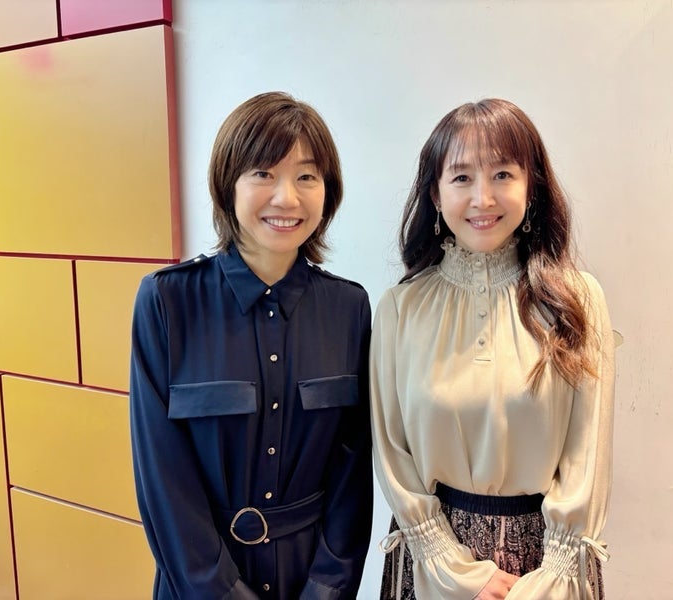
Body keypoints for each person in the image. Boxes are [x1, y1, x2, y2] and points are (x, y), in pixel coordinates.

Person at [130, 91, 372, 600]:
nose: (287, 198)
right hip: (198, 585)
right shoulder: (168, 302)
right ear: (228, 184)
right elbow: (162, 478)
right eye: (263, 173)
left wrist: (326, 590)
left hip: (311, 583)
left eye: (306, 177)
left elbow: (352, 475)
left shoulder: (349, 308)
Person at [370, 98, 615, 600]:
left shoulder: (578, 300)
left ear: (531, 185)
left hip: (549, 564)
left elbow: (587, 454)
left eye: (502, 174)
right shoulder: (400, 308)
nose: (483, 198)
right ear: (436, 194)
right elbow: (392, 452)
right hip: (434, 561)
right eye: (461, 178)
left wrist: (549, 580)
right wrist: (452, 569)